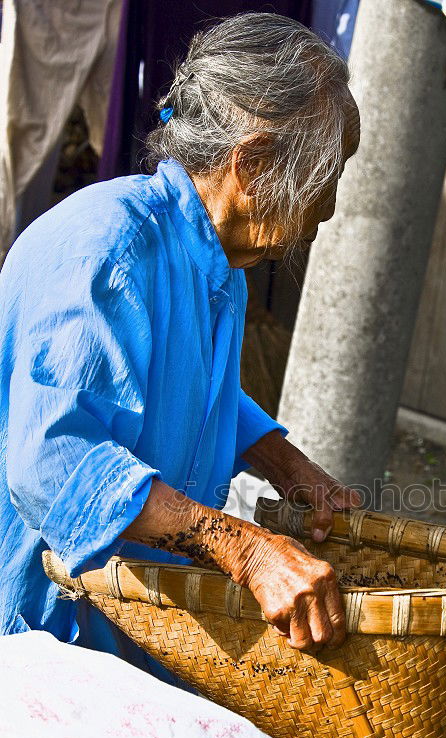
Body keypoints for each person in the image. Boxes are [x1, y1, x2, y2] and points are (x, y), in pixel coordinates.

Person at [0, 13, 362, 674]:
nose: (328, 208)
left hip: (129, 631)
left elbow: (187, 385)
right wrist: (243, 548)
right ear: (250, 165)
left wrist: (287, 465)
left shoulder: (215, 262)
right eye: (323, 180)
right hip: (40, 636)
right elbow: (53, 461)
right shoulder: (109, 249)